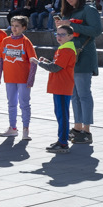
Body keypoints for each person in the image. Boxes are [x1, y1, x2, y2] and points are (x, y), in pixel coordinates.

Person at [58, 0, 102, 145]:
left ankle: (87, 130)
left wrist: (73, 25)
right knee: (74, 95)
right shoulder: (68, 11)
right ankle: (77, 127)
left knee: (83, 94)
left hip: (83, 55)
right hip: (70, 56)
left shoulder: (89, 9)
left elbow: (97, 30)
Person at [37, 25, 78, 154]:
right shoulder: (63, 48)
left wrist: (38, 63)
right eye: (57, 34)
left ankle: (63, 143)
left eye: (62, 34)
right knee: (60, 114)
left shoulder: (67, 50)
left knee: (62, 116)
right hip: (59, 86)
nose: (59, 37)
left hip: (62, 86)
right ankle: (61, 139)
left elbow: (55, 68)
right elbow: (58, 65)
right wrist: (48, 61)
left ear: (70, 36)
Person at [0, 16, 37, 140]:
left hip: (23, 79)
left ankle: (26, 129)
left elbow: (33, 62)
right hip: (9, 78)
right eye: (12, 25)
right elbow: (0, 60)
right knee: (11, 103)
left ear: (23, 28)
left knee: (24, 104)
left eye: (17, 26)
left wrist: (30, 80)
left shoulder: (26, 42)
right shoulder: (5, 41)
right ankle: (12, 128)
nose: (14, 28)